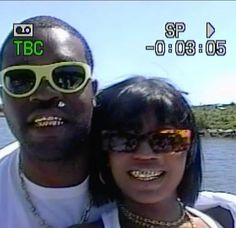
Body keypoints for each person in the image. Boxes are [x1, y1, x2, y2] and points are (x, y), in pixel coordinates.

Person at [0, 15, 112, 227]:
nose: (44, 94)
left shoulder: (139, 177)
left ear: (93, 92)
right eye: (21, 80)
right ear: (3, 101)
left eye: (67, 77)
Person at [76, 76, 223, 227]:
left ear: (190, 149)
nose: (145, 155)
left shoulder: (225, 218)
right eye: (124, 140)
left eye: (166, 140)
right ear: (105, 155)